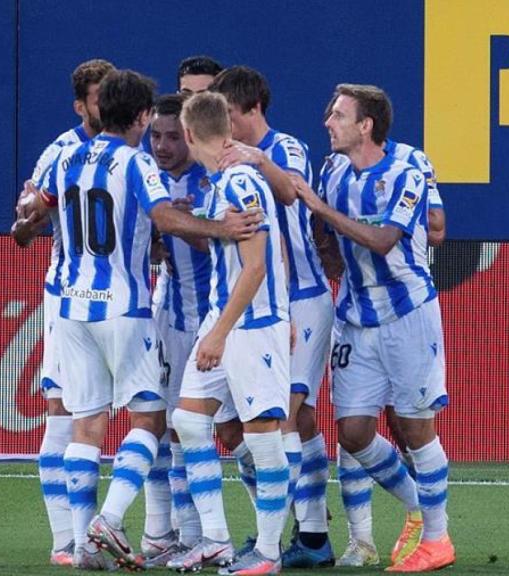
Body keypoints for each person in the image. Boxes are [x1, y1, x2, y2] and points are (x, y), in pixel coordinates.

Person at [15, 69, 263, 571]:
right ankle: (109, 516)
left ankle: (84, 546)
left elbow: (34, 213)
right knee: (149, 418)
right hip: (122, 307)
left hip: (69, 307)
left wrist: (26, 216)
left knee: (87, 424)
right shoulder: (136, 163)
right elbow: (165, 218)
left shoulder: (64, 157)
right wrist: (220, 227)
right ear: (144, 115)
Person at [295, 83, 455, 573]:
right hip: (356, 318)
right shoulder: (333, 169)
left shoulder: (407, 173)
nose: (328, 121)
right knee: (354, 432)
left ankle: (438, 538)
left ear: (366, 125)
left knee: (415, 428)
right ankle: (413, 506)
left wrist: (321, 211)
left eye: (338, 114)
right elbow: (323, 231)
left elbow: (386, 239)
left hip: (408, 317)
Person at [211, 66, 336, 567]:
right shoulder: (225, 160)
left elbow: (292, 195)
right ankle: (304, 531)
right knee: (246, 425)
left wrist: (257, 159)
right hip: (264, 302)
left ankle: (292, 539)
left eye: (231, 116)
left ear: (253, 110)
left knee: (280, 418)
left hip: (299, 297)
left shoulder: (284, 149)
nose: (226, 128)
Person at [166, 91, 291, 575]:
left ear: (191, 134)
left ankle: (268, 552)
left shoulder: (239, 183)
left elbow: (256, 267)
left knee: (263, 436)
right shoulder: (221, 182)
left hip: (251, 327)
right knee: (190, 421)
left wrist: (218, 333)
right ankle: (216, 540)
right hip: (229, 322)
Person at [10, 57, 115, 568]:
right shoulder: (60, 152)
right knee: (64, 412)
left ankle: (166, 533)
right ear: (81, 105)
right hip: (70, 297)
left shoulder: (136, 144)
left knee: (153, 416)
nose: (110, 104)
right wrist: (30, 218)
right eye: (101, 97)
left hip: (135, 299)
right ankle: (67, 539)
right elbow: (24, 221)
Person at [138, 93, 212, 566]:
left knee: (235, 434)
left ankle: (298, 521)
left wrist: (181, 222)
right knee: (164, 426)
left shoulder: (212, 178)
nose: (162, 146)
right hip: (169, 320)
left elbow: (225, 244)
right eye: (155, 136)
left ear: (189, 135)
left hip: (216, 322)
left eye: (171, 136)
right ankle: (169, 535)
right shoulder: (148, 178)